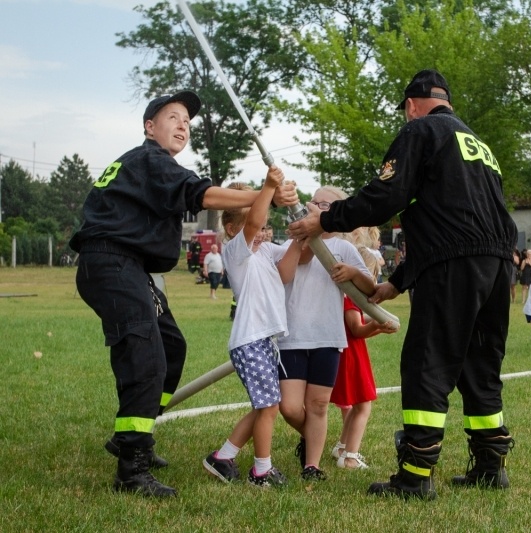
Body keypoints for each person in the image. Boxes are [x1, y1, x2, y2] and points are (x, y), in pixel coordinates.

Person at [286, 69, 518, 500]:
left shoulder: (420, 132)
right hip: (498, 265)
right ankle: (491, 464)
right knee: (480, 365)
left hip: (455, 268)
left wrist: (325, 219)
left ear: (412, 106)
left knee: (427, 363)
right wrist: (395, 284)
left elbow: (385, 197)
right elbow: (454, 224)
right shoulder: (478, 146)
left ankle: (415, 475)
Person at [68, 90, 298, 498]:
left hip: (131, 267)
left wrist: (266, 196)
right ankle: (132, 468)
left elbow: (197, 195)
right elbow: (204, 195)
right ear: (149, 126)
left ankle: (131, 435)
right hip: (110, 261)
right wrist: (267, 193)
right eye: (172, 117)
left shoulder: (151, 166)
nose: (182, 126)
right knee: (146, 355)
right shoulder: (150, 159)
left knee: (170, 347)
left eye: (187, 122)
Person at [202, 174, 302, 488]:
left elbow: (286, 273)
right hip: (250, 340)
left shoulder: (265, 252)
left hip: (265, 340)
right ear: (232, 229)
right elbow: (254, 221)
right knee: (268, 406)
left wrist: (300, 236)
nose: (260, 229)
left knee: (264, 405)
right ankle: (261, 471)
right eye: (251, 224)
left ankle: (223, 456)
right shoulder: (235, 252)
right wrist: (269, 188)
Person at [279, 186, 377, 483]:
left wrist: (353, 272)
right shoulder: (294, 241)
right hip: (292, 336)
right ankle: (312, 439)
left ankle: (312, 466)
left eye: (324, 204)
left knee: (319, 405)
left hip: (328, 338)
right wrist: (304, 238)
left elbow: (370, 287)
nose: (315, 206)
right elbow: (286, 274)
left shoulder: (346, 249)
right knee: (291, 407)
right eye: (315, 201)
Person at [330, 227, 397, 469]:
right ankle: (350, 457)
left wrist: (379, 323)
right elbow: (356, 329)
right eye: (374, 277)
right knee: (363, 406)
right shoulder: (350, 296)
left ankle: (342, 446)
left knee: (357, 405)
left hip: (352, 352)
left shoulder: (351, 297)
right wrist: (377, 327)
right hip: (350, 354)